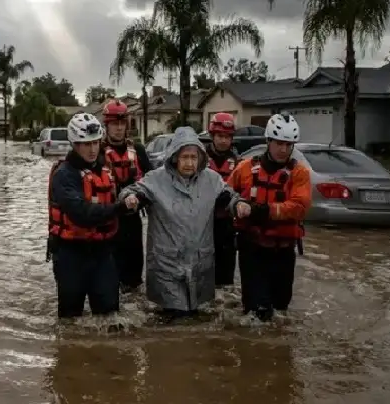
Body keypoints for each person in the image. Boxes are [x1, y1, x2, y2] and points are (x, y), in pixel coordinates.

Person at [119, 127, 251, 319]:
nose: (190, 163)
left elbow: (229, 196)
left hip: (200, 262)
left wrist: (239, 204)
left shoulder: (211, 179)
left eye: (194, 157)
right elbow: (133, 191)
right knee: (172, 319)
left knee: (198, 320)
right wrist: (131, 198)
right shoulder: (156, 179)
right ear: (174, 157)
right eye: (185, 157)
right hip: (166, 263)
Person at [227, 113, 311, 322]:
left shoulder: (299, 173)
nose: (284, 150)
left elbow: (299, 207)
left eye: (288, 145)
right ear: (268, 141)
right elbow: (225, 193)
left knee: (281, 307)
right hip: (252, 249)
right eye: (279, 144)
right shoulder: (245, 168)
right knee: (258, 311)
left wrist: (261, 210)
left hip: (283, 251)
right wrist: (237, 204)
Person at [47, 112, 128, 318]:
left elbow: (123, 191)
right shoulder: (64, 175)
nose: (93, 149)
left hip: (102, 252)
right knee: (71, 319)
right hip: (70, 253)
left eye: (96, 143)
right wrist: (120, 208)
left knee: (111, 316)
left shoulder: (104, 170)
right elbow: (82, 214)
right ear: (74, 144)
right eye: (86, 144)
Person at [101, 99, 153, 292]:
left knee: (134, 278)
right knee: (110, 276)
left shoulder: (138, 150)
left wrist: (140, 200)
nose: (119, 129)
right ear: (107, 125)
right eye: (115, 124)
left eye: (122, 124)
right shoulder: (98, 152)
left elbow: (152, 181)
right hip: (109, 221)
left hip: (133, 221)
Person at [205, 112, 240, 288]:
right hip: (203, 221)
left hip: (226, 221)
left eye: (227, 137)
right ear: (212, 135)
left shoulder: (237, 161)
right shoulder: (200, 157)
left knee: (226, 271)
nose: (224, 141)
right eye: (220, 136)